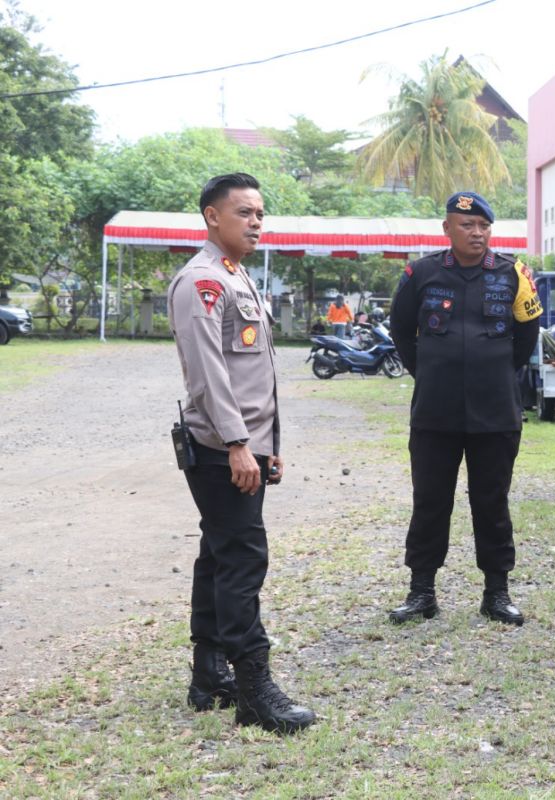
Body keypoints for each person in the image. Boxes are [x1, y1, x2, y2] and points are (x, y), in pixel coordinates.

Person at [166, 173, 316, 735]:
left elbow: (253, 376)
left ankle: (209, 675)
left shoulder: (235, 277)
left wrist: (265, 447)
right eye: (244, 213)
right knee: (243, 560)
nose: (256, 222)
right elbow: (208, 374)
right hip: (218, 448)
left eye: (259, 213)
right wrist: (237, 444)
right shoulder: (202, 282)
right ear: (212, 217)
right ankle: (255, 689)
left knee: (219, 554)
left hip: (242, 447)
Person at [388, 191, 543, 626]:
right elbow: (401, 330)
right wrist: (432, 372)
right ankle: (422, 592)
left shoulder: (515, 273)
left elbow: (526, 336)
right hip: (435, 411)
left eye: (483, 226)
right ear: (447, 229)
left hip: (495, 411)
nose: (477, 233)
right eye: (467, 225)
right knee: (430, 500)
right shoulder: (421, 273)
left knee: (491, 501)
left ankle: (496, 593)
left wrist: (492, 373)